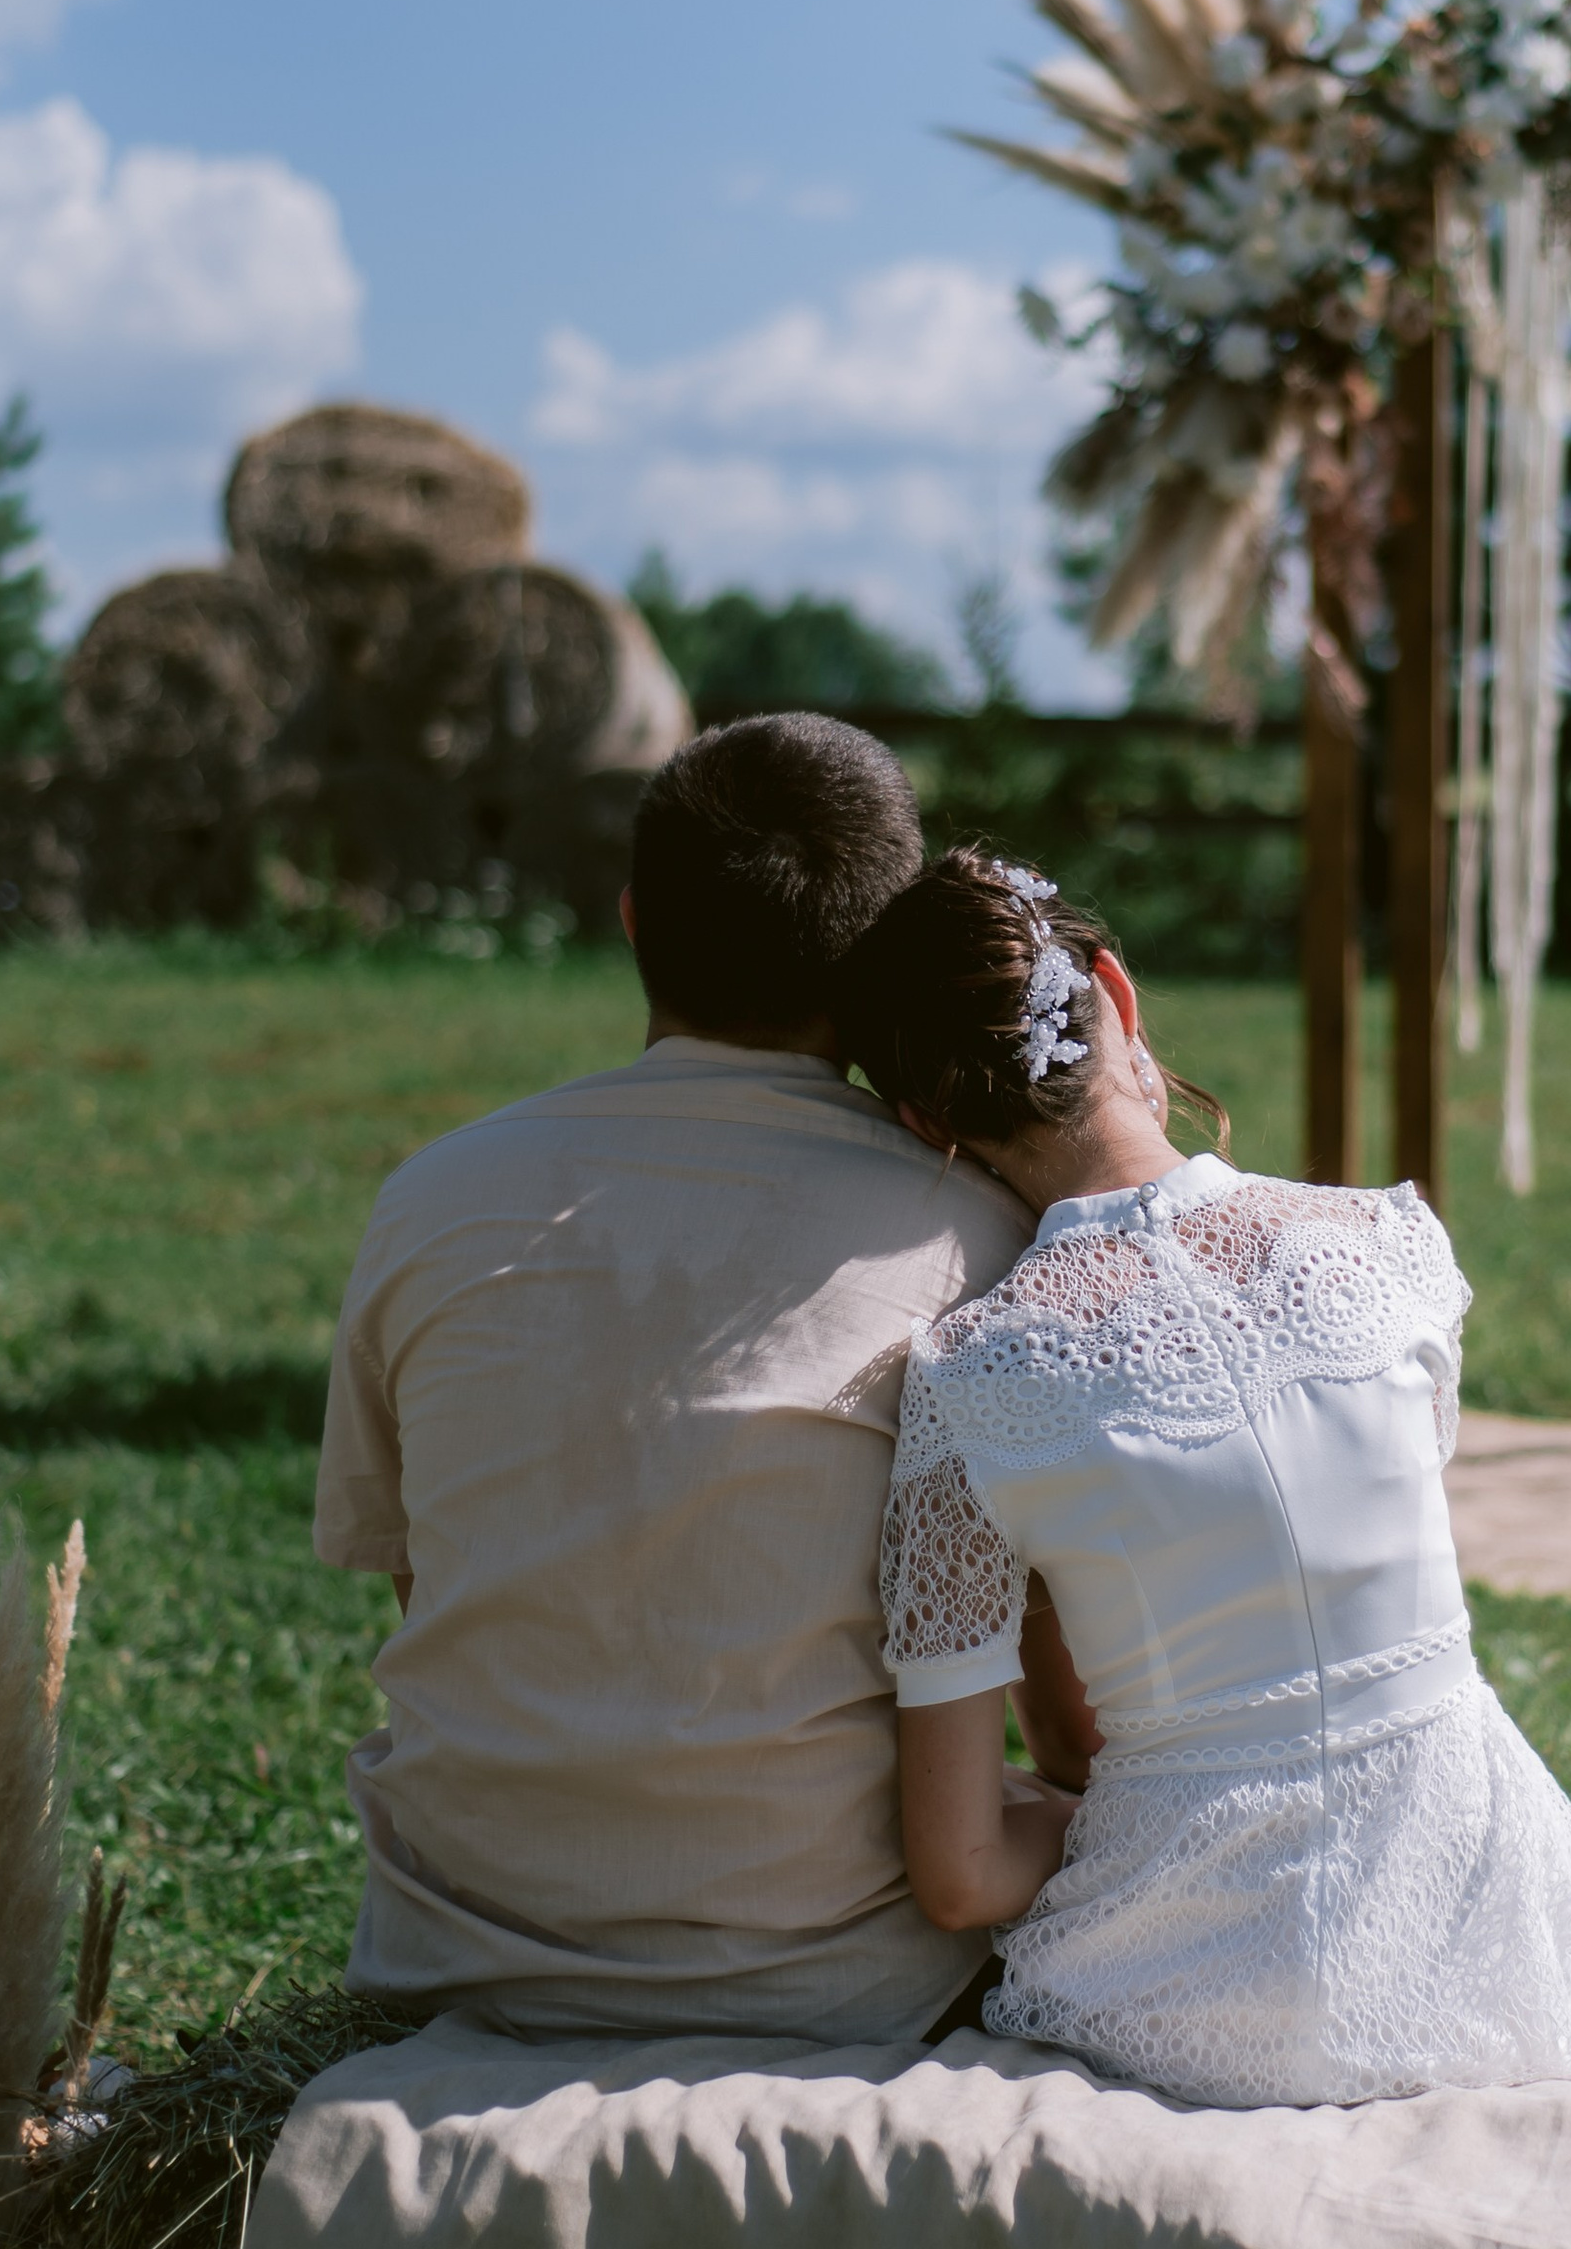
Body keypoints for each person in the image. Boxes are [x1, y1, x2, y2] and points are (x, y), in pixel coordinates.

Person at [834, 848, 1571, 2109]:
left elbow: (961, 1876)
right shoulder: (1390, 1244)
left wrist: (1163, 1816)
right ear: (1116, 995)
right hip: (1495, 1925)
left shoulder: (971, 1381)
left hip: (1187, 1990)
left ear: (926, 1124)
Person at [313, 718, 1036, 2045]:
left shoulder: (432, 1200)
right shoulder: (972, 1233)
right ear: (888, 948)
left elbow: (432, 1579)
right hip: (847, 1978)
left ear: (634, 921)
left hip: (464, 1953)